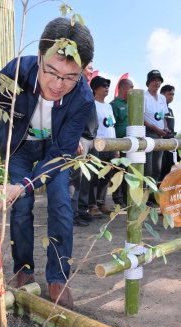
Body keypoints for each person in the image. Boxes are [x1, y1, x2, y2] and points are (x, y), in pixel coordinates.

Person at [0, 17, 94, 309]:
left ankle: (58, 277)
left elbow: (61, 156)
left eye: (70, 77)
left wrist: (25, 185)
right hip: (19, 146)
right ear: (39, 57)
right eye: (51, 71)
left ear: (82, 73)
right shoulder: (13, 75)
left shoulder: (83, 99)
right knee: (20, 206)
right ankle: (24, 270)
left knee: (61, 204)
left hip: (54, 149)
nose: (57, 84)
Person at [69, 62, 99, 227]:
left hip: (91, 139)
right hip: (80, 139)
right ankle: (72, 213)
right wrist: (74, 138)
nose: (91, 71)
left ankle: (81, 209)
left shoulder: (86, 88)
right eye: (89, 68)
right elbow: (71, 114)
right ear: (80, 69)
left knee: (87, 178)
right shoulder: (76, 88)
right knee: (75, 178)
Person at [88, 76, 117, 215]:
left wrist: (116, 146)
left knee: (106, 177)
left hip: (111, 146)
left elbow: (112, 126)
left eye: (108, 85)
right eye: (103, 85)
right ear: (95, 88)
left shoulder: (109, 106)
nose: (107, 88)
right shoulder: (91, 104)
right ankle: (92, 204)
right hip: (97, 145)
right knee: (94, 176)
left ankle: (101, 202)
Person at [110, 78, 134, 208]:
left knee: (128, 172)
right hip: (118, 144)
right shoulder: (114, 104)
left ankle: (126, 196)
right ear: (124, 88)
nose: (133, 89)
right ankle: (117, 198)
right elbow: (111, 125)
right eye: (131, 87)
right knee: (118, 172)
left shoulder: (132, 104)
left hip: (131, 144)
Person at [144, 70, 170, 183]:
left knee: (157, 168)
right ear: (148, 82)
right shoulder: (143, 96)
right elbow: (141, 119)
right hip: (148, 134)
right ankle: (144, 195)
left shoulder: (162, 98)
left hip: (160, 136)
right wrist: (156, 129)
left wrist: (166, 128)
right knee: (148, 169)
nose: (157, 83)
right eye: (154, 80)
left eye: (159, 80)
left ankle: (152, 195)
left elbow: (163, 116)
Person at [159, 84, 179, 180]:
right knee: (159, 168)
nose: (171, 96)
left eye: (173, 94)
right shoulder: (157, 108)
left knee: (169, 168)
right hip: (161, 144)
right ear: (162, 95)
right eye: (169, 94)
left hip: (171, 144)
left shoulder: (170, 110)